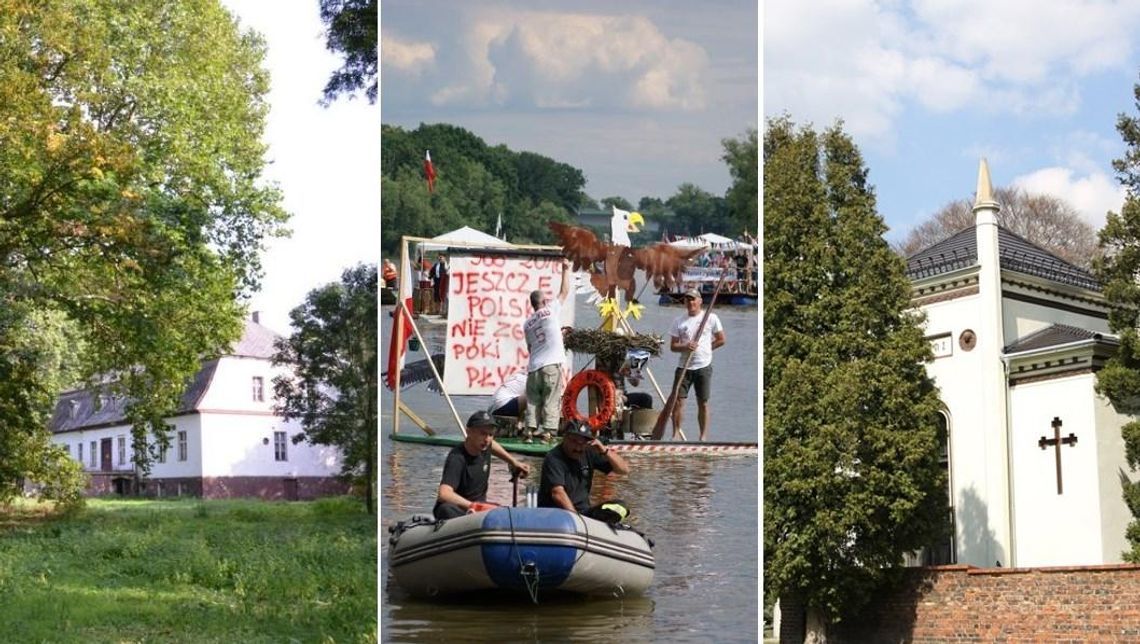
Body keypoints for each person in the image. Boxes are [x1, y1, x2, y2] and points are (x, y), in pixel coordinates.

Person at [433, 411, 531, 519]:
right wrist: (473, 506)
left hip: (479, 508)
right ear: (468, 432)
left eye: (491, 434)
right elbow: (444, 494)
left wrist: (514, 462)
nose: (487, 439)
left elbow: (493, 445)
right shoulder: (457, 458)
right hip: (459, 508)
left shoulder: (484, 446)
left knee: (504, 512)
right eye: (483, 433)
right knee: (446, 509)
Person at [537, 421, 630, 522]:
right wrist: (576, 520)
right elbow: (557, 493)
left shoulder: (588, 452)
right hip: (557, 513)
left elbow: (624, 470)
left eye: (582, 443)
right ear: (565, 438)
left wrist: (604, 450)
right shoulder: (553, 458)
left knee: (621, 508)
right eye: (574, 442)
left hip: (583, 512)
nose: (578, 448)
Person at [522, 258, 573, 443]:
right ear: (543, 301)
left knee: (533, 401)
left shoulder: (527, 324)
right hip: (551, 365)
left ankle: (528, 432)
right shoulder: (550, 310)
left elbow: (530, 347)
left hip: (534, 367)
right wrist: (566, 269)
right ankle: (548, 433)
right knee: (552, 399)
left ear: (532, 304)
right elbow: (564, 291)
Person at [669, 287, 726, 441]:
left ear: (700, 301)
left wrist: (707, 349)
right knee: (679, 401)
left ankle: (703, 437)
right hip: (684, 366)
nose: (690, 302)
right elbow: (673, 346)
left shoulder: (711, 318)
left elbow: (721, 339)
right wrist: (685, 346)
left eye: (693, 299)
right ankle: (675, 435)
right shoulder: (678, 321)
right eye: (687, 299)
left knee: (703, 402)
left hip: (703, 366)